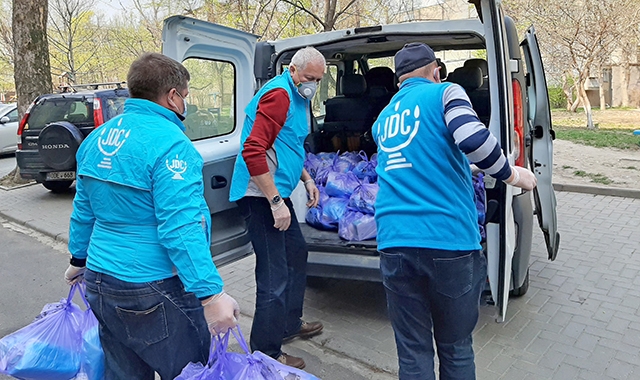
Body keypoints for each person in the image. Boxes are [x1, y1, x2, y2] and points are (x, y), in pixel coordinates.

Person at [63, 52, 239, 380]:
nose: (186, 103)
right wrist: (211, 293)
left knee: (122, 373)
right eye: (185, 96)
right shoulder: (172, 145)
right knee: (192, 372)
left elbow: (83, 208)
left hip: (100, 280)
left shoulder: (96, 139)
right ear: (172, 96)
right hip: (152, 284)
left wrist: (78, 258)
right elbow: (180, 226)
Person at [372, 43, 537, 380]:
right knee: (455, 346)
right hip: (447, 243)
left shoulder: (383, 118)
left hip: (394, 243)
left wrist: (469, 169)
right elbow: (474, 141)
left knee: (413, 350)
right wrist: (515, 174)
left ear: (399, 80)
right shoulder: (446, 93)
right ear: (436, 70)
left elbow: (417, 162)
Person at [228, 46, 326, 370]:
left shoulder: (299, 96)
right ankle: (266, 353)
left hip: (276, 191)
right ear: (294, 71)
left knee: (297, 254)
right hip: (260, 196)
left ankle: (288, 324)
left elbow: (287, 144)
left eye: (319, 80)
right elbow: (253, 151)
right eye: (310, 78)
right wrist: (274, 202)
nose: (313, 84)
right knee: (274, 276)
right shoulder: (279, 96)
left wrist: (308, 178)